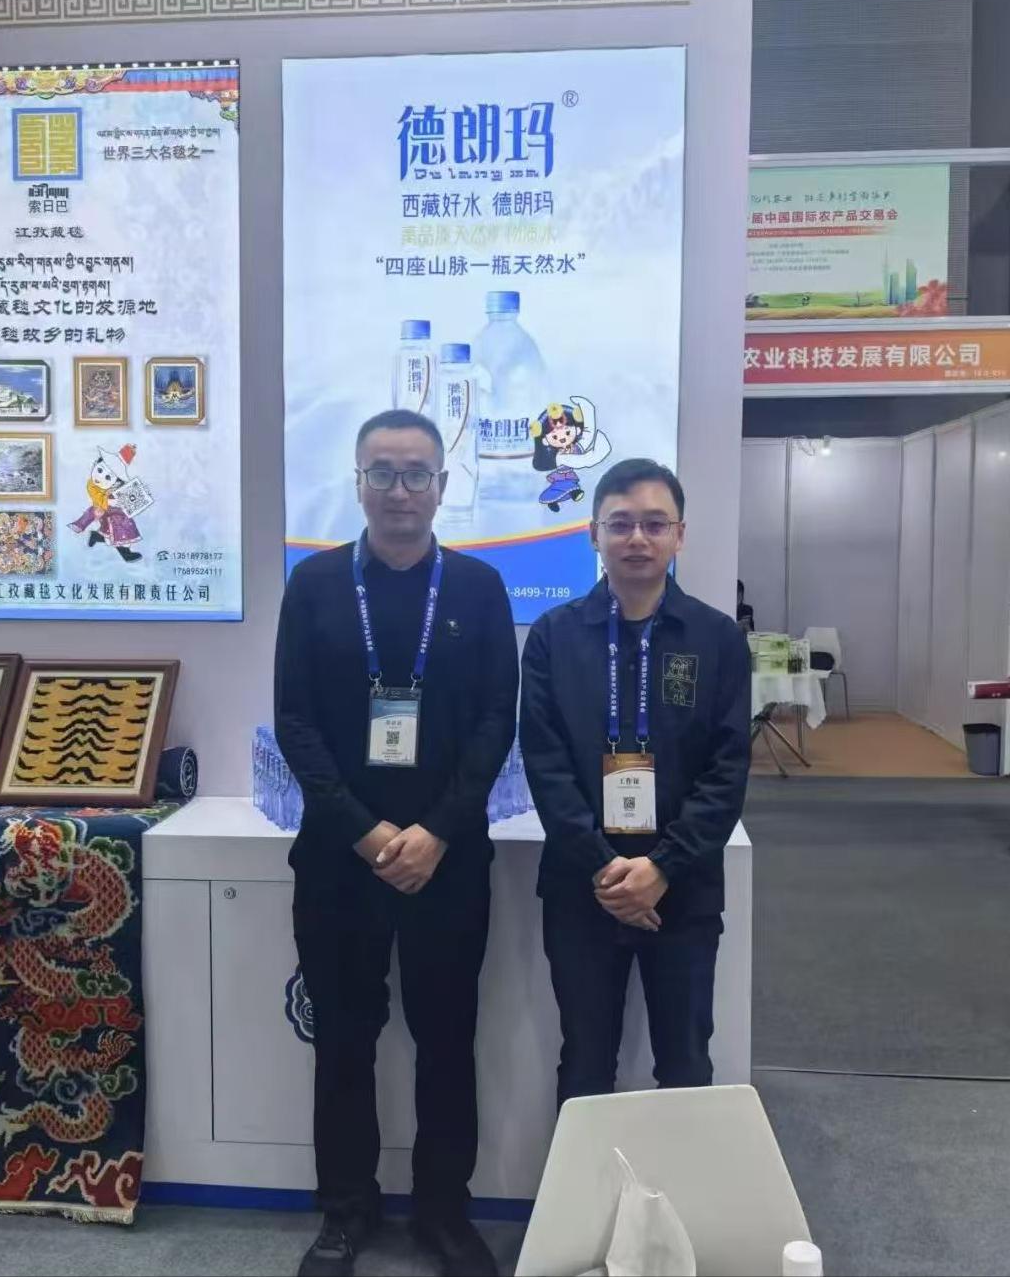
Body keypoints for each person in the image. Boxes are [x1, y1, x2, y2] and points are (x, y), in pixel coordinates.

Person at [275, 409, 518, 1277]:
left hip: (447, 863)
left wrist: (437, 831)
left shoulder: (479, 588)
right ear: (358, 483)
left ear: (442, 486)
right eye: (382, 472)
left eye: (417, 473)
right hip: (339, 860)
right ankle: (346, 1210)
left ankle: (443, 1213)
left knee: (447, 1039)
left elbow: (495, 723)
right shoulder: (314, 585)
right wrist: (369, 831)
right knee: (343, 1041)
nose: (400, 490)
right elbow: (295, 723)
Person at [520, 458, 751, 1106]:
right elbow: (546, 765)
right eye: (620, 524)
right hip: (581, 886)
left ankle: (674, 1181)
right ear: (593, 534)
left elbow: (728, 769)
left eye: (655, 523)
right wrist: (604, 868)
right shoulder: (554, 637)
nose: (638, 539)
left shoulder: (717, 638)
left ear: (680, 534)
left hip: (684, 889)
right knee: (585, 1061)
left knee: (685, 1064)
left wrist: (663, 867)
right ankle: (587, 1181)